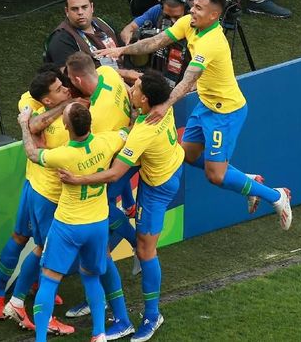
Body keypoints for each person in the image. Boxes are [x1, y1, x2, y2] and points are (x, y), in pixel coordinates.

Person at [96, 0, 293, 231]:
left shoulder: (212, 43)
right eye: (194, 5)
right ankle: (245, 181)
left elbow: (187, 81)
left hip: (225, 113)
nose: (192, 10)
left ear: (213, 16)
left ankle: (276, 195)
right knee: (187, 155)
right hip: (206, 105)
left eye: (199, 8)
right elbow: (157, 41)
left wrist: (165, 105)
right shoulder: (189, 23)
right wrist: (121, 50)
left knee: (216, 176)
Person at [60, 70, 185, 341]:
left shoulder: (143, 132)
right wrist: (123, 71)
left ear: (148, 99)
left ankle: (152, 316)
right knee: (101, 206)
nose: (131, 89)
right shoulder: (164, 105)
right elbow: (145, 80)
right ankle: (100, 296)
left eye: (137, 88)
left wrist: (78, 179)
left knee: (146, 249)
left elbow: (116, 173)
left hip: (157, 187)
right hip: (166, 164)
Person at [18, 102, 129, 342]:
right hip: (98, 225)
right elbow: (126, 133)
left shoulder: (63, 154)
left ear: (66, 126)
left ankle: (40, 339)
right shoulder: (106, 142)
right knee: (91, 277)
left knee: (48, 280)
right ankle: (99, 334)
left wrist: (24, 125)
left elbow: (31, 153)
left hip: (68, 226)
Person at [62, 51, 141, 320]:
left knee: (102, 215)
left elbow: (89, 150)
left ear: (76, 78)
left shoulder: (97, 117)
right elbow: (124, 85)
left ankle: (98, 299)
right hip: (130, 154)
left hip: (113, 167)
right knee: (106, 216)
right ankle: (137, 247)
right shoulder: (108, 73)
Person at [0, 72, 74, 336]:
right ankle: (45, 317)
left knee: (42, 248)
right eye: (58, 88)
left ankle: (16, 302)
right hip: (46, 193)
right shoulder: (31, 104)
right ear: (46, 97)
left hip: (44, 190)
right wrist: (65, 106)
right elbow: (31, 127)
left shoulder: (58, 104)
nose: (65, 89)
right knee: (49, 254)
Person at [120, 0, 191, 86]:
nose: (172, 21)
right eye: (167, 16)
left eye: (177, 17)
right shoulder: (157, 10)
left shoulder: (195, 20)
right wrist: (131, 44)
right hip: (157, 66)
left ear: (186, 10)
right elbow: (128, 29)